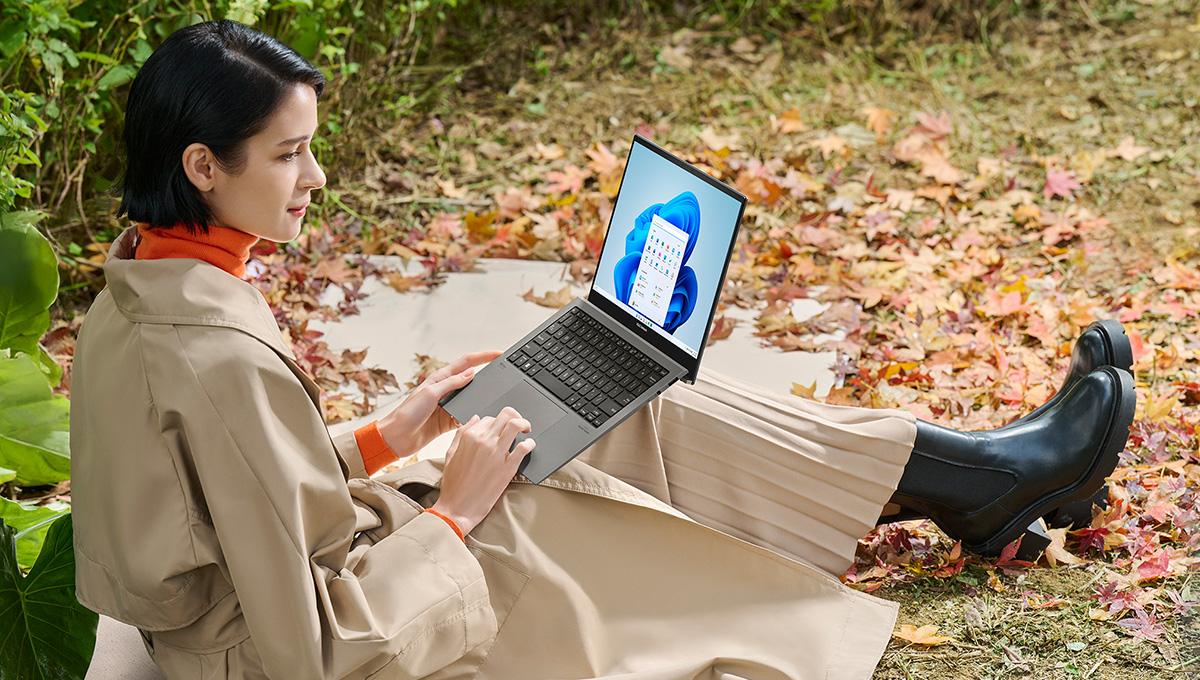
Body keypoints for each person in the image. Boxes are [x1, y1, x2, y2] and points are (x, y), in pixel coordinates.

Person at [69, 20, 1137, 680]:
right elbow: (311, 648)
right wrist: (453, 511)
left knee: (627, 394)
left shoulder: (146, 282)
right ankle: (983, 480)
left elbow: (229, 493)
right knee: (561, 459)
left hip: (302, 586)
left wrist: (383, 435)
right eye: (291, 155)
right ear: (204, 164)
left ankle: (969, 474)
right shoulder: (209, 351)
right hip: (303, 643)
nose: (316, 181)